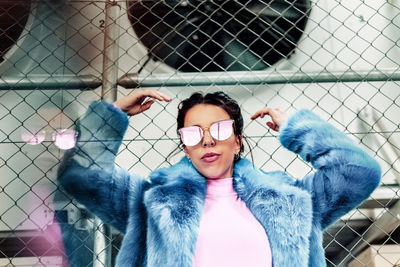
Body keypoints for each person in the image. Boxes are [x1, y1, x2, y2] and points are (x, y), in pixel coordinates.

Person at [57, 89, 381, 267]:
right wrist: (112, 116)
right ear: (185, 145)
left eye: (220, 129)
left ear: (237, 141)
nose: (208, 141)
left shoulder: (292, 201)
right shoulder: (150, 203)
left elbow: (359, 172)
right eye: (194, 133)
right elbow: (81, 175)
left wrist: (297, 129)